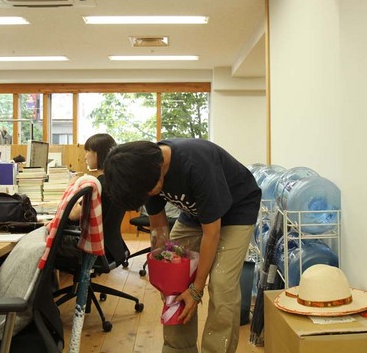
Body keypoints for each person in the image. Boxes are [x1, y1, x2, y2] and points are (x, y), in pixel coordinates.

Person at [104, 138, 261, 353]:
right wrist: (164, 268)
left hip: (237, 210)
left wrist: (196, 289)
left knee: (222, 283)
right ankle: (178, 349)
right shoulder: (143, 173)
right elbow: (158, 225)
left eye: (150, 191)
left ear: (158, 168)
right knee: (174, 277)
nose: (150, 195)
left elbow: (212, 233)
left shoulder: (195, 164)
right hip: (195, 213)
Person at [56, 133, 124, 262]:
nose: (85, 156)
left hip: (95, 250)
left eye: (87, 151)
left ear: (98, 154)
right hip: (111, 247)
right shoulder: (115, 180)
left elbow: (72, 215)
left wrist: (72, 187)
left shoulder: (99, 185)